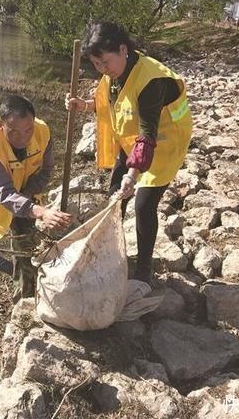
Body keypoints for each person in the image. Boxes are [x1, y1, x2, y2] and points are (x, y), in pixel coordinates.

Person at [66, 22, 193, 283]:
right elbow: (112, 102)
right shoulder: (116, 72)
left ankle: (144, 269)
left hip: (164, 143)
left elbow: (148, 134)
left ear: (123, 49)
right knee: (115, 194)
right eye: (96, 65)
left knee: (144, 203)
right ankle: (110, 250)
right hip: (131, 141)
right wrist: (85, 105)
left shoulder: (151, 80)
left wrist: (133, 176)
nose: (102, 70)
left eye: (104, 62)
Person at [0, 94, 72, 302]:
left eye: (28, 130)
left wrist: (26, 200)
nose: (23, 137)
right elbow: (1, 191)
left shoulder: (42, 131)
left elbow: (46, 170)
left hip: (26, 191)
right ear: (1, 125)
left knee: (25, 249)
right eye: (14, 131)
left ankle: (23, 300)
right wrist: (40, 211)